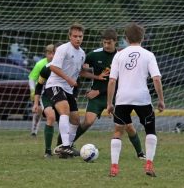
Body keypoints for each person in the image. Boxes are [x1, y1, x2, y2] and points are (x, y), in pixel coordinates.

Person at [56, 28, 145, 160]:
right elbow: (82, 72)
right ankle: (64, 146)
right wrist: (96, 77)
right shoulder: (94, 55)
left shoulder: (121, 55)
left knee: (128, 126)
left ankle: (140, 153)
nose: (106, 45)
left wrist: (99, 90)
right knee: (87, 122)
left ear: (115, 42)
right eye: (104, 42)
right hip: (96, 98)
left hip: (116, 97)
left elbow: (120, 79)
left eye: (109, 43)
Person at [107, 23, 165, 177]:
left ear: (125, 38)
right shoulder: (148, 55)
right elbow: (157, 79)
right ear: (143, 38)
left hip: (122, 98)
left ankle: (114, 167)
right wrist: (160, 100)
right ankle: (149, 165)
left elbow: (112, 81)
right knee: (150, 130)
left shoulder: (118, 55)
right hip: (142, 98)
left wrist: (109, 103)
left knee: (118, 131)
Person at [44, 23, 87, 158]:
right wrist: (68, 79)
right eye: (75, 36)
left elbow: (81, 72)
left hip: (68, 89)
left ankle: (68, 145)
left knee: (75, 120)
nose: (78, 39)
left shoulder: (82, 53)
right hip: (55, 84)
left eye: (80, 36)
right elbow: (53, 67)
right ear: (70, 36)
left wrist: (96, 76)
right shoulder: (63, 49)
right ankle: (66, 146)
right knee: (65, 110)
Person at [28, 44, 55, 136]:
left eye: (53, 53)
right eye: (49, 53)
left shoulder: (59, 64)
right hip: (41, 91)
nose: (51, 56)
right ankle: (34, 131)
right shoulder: (40, 64)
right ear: (45, 54)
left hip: (53, 90)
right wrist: (32, 90)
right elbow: (32, 78)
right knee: (38, 110)